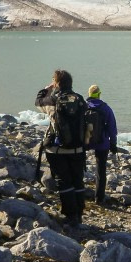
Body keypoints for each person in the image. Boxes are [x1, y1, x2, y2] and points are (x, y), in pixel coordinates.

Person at [35, 70, 87, 227]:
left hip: (57, 149)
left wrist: (46, 89)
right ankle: (79, 213)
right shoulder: (79, 99)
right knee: (78, 180)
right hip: (78, 148)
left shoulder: (52, 100)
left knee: (63, 181)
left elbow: (38, 102)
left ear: (56, 83)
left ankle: (70, 215)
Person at [85, 84, 118, 205]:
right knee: (101, 170)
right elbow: (112, 128)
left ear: (89, 94)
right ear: (99, 94)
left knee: (78, 167)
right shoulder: (106, 108)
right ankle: (99, 197)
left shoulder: (84, 106)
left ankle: (78, 192)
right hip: (102, 143)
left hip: (85, 141)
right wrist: (113, 144)